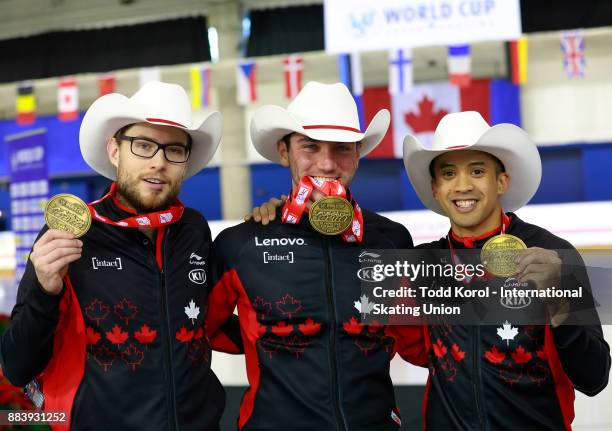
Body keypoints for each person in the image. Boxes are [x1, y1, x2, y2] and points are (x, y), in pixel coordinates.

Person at [0, 81, 240, 430]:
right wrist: (44, 290)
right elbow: (16, 365)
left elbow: (208, 321)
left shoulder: (193, 229)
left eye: (174, 150)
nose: (159, 162)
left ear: (185, 162)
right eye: (143, 145)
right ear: (115, 150)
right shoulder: (73, 234)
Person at [205, 81, 427, 431]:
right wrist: (261, 338)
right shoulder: (242, 244)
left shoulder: (391, 239)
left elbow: (418, 342)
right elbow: (198, 328)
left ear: (356, 155)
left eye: (341, 148)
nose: (326, 163)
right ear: (284, 152)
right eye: (310, 147)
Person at [402, 111, 611, 430]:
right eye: (448, 173)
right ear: (435, 187)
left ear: (501, 181)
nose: (462, 185)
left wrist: (559, 299)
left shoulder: (554, 254)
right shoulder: (420, 263)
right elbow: (414, 350)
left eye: (476, 170)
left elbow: (594, 377)